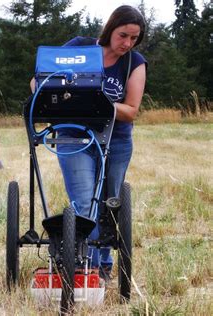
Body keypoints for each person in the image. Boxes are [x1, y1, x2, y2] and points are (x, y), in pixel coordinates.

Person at [31, 5, 147, 281]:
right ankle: (88, 267)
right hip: (75, 135)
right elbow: (39, 81)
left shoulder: (134, 63)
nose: (126, 44)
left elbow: (131, 110)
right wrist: (48, 94)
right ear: (111, 28)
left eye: (133, 39)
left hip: (115, 139)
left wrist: (97, 101)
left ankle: (103, 262)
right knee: (84, 203)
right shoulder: (79, 47)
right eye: (123, 35)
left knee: (109, 203)